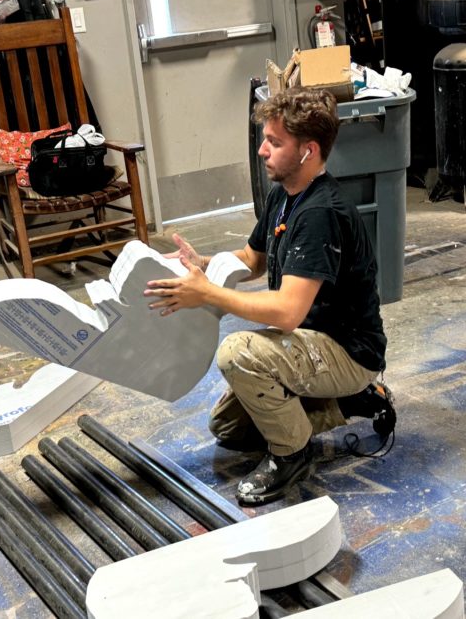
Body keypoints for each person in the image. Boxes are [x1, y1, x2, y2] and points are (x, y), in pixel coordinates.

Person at [144, 87, 394, 506]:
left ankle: (293, 456)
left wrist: (208, 295)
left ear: (307, 151)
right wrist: (204, 264)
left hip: (347, 350)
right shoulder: (284, 195)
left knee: (238, 353)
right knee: (230, 429)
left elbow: (288, 312)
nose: (262, 150)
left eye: (274, 142)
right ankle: (349, 403)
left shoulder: (320, 213)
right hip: (311, 343)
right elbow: (253, 258)